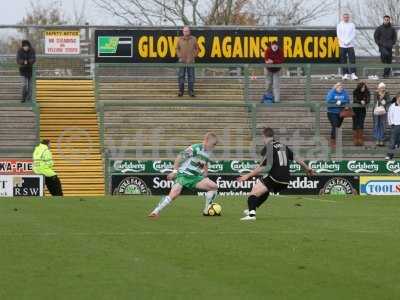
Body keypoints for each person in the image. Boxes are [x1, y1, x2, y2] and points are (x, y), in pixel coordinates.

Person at [237, 127, 314, 221]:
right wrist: (307, 168)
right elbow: (297, 159)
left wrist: (248, 175)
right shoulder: (283, 146)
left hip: (275, 177)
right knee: (265, 190)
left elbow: (263, 167)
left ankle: (251, 215)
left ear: (263, 136)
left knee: (253, 193)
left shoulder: (269, 147)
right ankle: (251, 209)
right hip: (286, 180)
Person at [148, 132, 218, 218]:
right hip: (183, 175)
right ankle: (155, 212)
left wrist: (205, 172)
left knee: (213, 186)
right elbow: (179, 157)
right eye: (213, 144)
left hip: (195, 177)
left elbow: (205, 162)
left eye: (215, 145)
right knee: (174, 194)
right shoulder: (195, 148)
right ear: (206, 141)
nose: (213, 146)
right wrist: (174, 172)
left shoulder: (208, 151)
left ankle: (206, 211)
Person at [176, 26, 199, 97]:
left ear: (189, 31)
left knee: (191, 77)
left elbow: (197, 49)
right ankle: (181, 91)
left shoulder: (194, 39)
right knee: (181, 76)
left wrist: (194, 56)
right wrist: (179, 56)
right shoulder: (179, 39)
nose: (186, 32)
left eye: (187, 31)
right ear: (183, 32)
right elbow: (177, 48)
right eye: (184, 31)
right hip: (182, 61)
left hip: (191, 61)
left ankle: (191, 92)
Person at [326, 82, 350, 148]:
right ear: (336, 87)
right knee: (335, 125)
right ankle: (332, 142)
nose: (340, 88)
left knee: (338, 126)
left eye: (341, 87)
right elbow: (328, 100)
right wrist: (336, 101)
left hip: (341, 112)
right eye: (339, 87)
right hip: (332, 112)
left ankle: (336, 140)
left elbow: (347, 100)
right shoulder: (332, 92)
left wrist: (341, 102)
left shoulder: (344, 92)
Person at [337, 13, 358, 80]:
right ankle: (345, 74)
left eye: (347, 17)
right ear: (342, 18)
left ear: (349, 18)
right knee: (343, 60)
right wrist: (344, 42)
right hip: (342, 45)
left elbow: (353, 34)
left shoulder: (352, 25)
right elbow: (338, 35)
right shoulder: (339, 25)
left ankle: (353, 74)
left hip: (350, 45)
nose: (346, 18)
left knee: (352, 59)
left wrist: (348, 41)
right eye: (345, 17)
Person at [352, 82, 370, 146]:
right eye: (362, 87)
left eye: (364, 87)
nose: (363, 88)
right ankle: (355, 139)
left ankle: (360, 139)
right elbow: (354, 99)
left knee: (361, 123)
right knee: (355, 123)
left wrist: (365, 101)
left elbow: (368, 99)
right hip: (355, 110)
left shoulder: (367, 92)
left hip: (362, 110)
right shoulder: (355, 91)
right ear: (359, 87)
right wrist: (360, 101)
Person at [373, 82, 390, 147]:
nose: (382, 89)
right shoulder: (376, 93)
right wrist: (382, 98)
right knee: (377, 124)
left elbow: (388, 101)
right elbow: (375, 101)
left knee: (382, 124)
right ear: (379, 88)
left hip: (383, 111)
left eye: (383, 87)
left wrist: (383, 98)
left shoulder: (387, 93)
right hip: (376, 111)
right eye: (381, 87)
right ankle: (377, 139)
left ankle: (382, 139)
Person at [386, 93, 400, 159]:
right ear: (397, 97)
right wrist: (391, 123)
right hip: (395, 125)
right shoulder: (392, 106)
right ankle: (389, 155)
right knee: (392, 141)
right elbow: (389, 115)